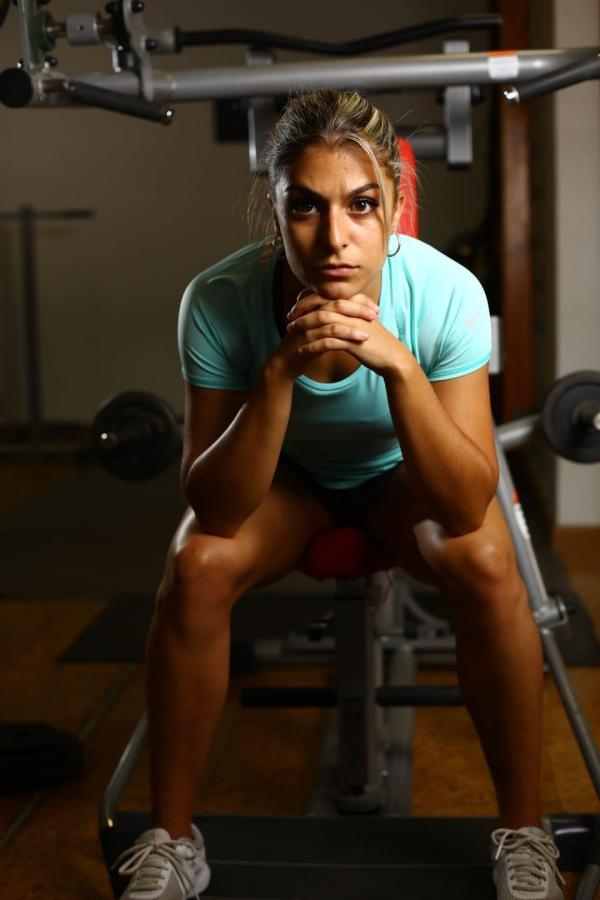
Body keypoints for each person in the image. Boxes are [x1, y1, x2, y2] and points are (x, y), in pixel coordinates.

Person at [114, 89, 565, 900]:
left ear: (394, 202)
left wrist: (398, 365)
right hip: (287, 483)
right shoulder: (217, 301)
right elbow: (215, 506)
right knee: (198, 564)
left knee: (489, 557)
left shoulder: (447, 293)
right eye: (306, 207)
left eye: (361, 205)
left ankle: (524, 831)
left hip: (403, 478)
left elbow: (463, 503)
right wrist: (278, 374)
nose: (335, 238)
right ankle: (172, 839)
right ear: (276, 210)